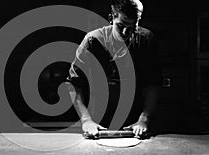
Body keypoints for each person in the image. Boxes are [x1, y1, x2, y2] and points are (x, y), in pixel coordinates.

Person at [67, 0, 161, 138]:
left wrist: (143, 119)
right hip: (97, 124)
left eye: (132, 27)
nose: (125, 32)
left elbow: (154, 83)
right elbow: (73, 83)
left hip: (135, 123)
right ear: (111, 18)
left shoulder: (146, 40)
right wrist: (86, 120)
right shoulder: (93, 41)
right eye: (121, 26)